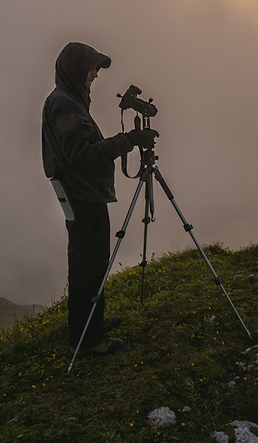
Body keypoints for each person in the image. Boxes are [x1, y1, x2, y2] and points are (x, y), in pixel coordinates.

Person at [41, 42, 157, 355]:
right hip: (82, 196)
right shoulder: (64, 106)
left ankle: (92, 322)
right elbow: (79, 155)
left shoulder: (70, 101)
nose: (95, 74)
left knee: (93, 261)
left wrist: (124, 142)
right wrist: (128, 141)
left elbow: (82, 147)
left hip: (85, 194)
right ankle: (86, 341)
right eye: (92, 68)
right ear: (75, 69)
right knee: (87, 264)